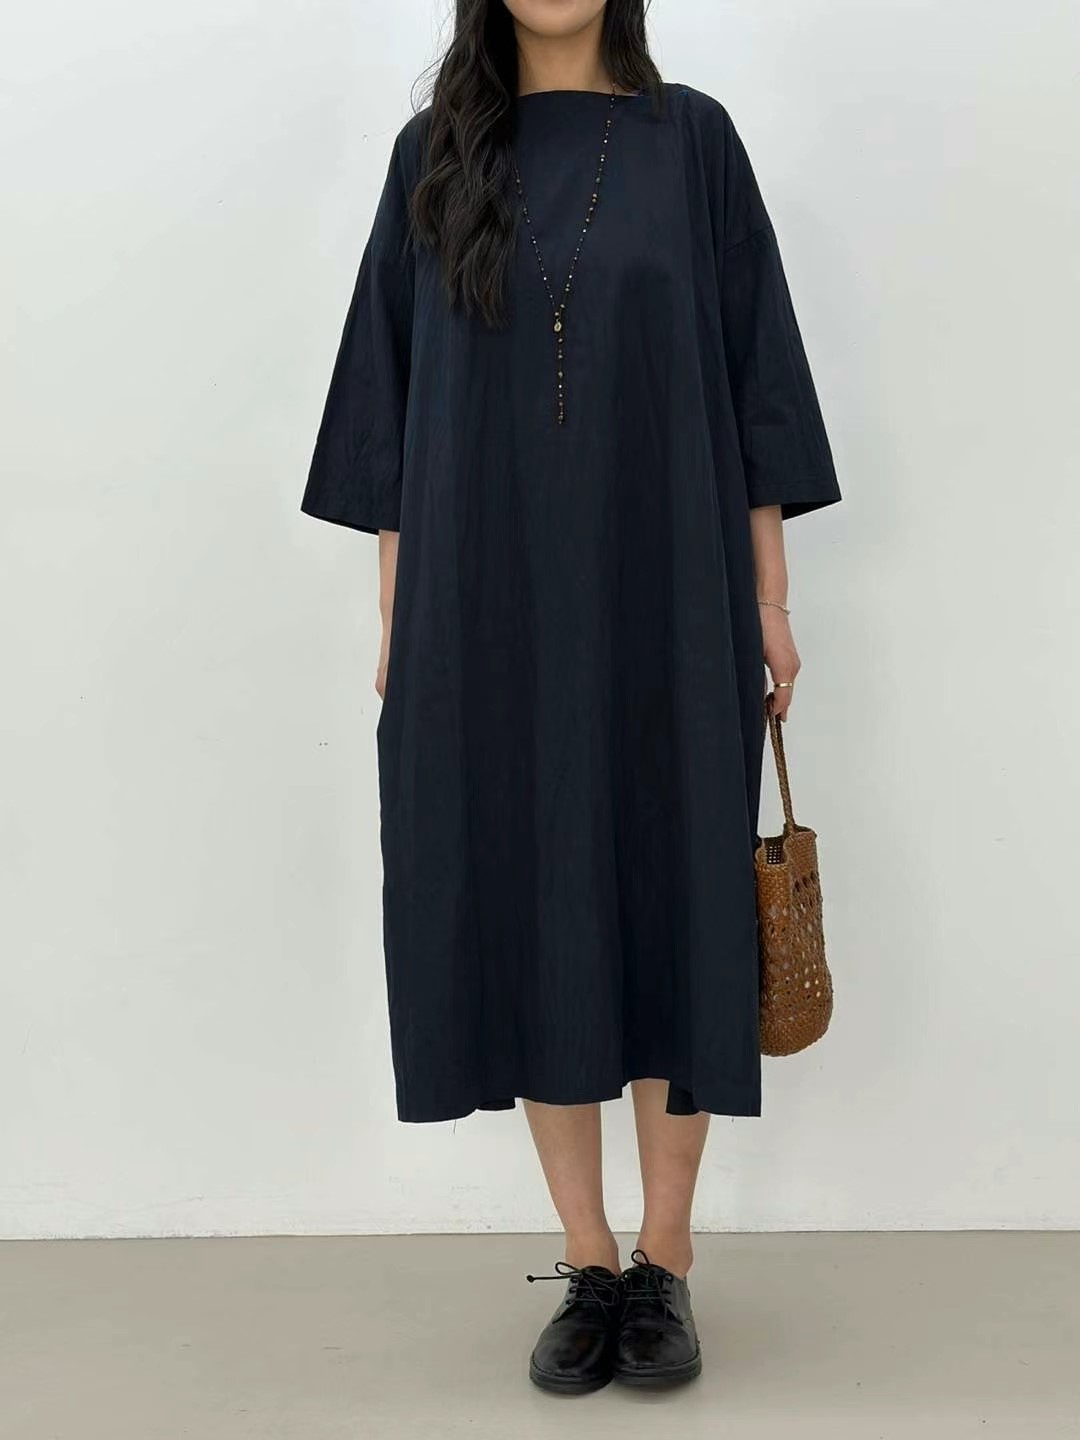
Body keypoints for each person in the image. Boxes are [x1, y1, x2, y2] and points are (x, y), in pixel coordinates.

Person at [301, 0, 841, 1396]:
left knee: (674, 896)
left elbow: (758, 385)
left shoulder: (692, 143)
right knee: (533, 899)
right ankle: (588, 1258)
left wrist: (771, 602)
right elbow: (389, 410)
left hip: (670, 598)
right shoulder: (434, 156)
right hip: (485, 607)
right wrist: (399, 619)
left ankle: (666, 1257)